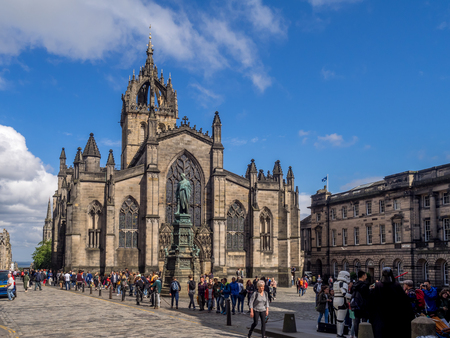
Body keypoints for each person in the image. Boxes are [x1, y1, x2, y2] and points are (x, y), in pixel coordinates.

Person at [369, 267, 414, 338]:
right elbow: (405, 302)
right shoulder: (396, 285)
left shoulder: (378, 286)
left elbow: (373, 301)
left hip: (381, 318)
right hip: (395, 318)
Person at [351, 271, 370, 337]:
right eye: (365, 275)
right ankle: (363, 334)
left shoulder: (355, 285)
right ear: (363, 276)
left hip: (356, 304)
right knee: (364, 320)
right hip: (363, 305)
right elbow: (367, 295)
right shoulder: (364, 285)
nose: (366, 277)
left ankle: (356, 335)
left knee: (357, 319)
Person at [333, 271, 351, 338]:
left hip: (335, 300)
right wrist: (352, 296)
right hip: (341, 301)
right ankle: (340, 334)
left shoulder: (335, 283)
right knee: (341, 320)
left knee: (338, 319)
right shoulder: (343, 283)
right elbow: (344, 293)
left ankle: (339, 333)